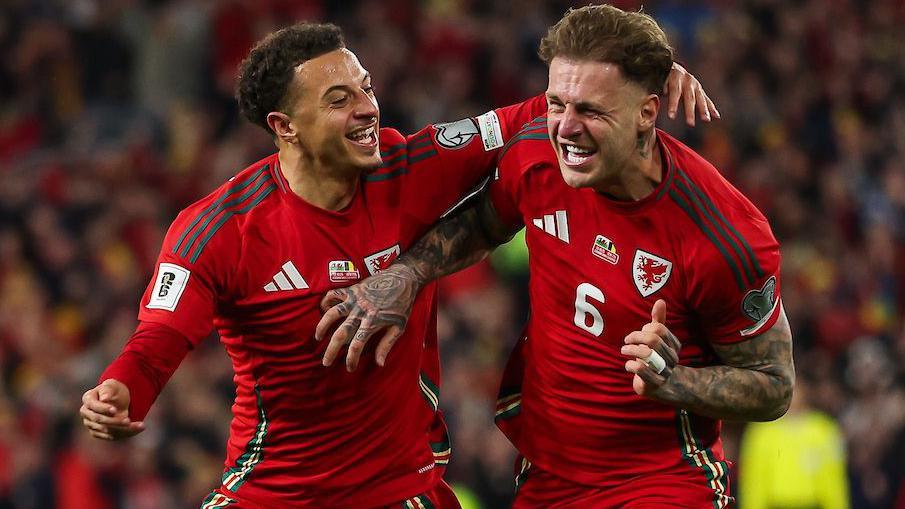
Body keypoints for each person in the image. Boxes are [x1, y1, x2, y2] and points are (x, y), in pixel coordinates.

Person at [77, 21, 716, 509]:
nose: (366, 108)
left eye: (366, 88)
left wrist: (638, 82)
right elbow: (160, 336)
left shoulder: (407, 167)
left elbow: (528, 117)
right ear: (284, 126)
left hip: (400, 490)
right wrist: (122, 389)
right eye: (338, 100)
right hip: (274, 490)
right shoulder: (219, 229)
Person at [317, 5, 793, 508]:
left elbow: (773, 386)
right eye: (555, 104)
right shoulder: (536, 155)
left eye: (591, 111)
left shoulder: (724, 236)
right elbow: (482, 222)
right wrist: (409, 274)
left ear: (647, 113)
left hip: (660, 480)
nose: (566, 128)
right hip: (548, 476)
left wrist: (676, 382)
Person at [739, 376, 849, 509]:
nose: (793, 392)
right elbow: (754, 481)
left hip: (813, 504)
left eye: (796, 387)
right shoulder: (761, 431)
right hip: (775, 505)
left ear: (806, 390)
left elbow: (834, 479)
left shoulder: (824, 430)